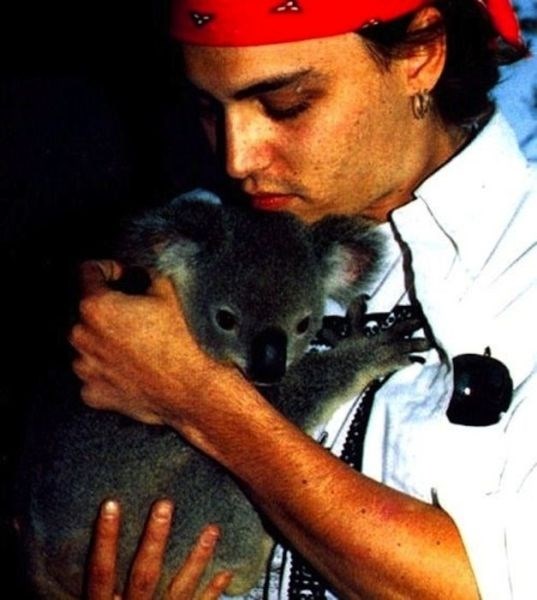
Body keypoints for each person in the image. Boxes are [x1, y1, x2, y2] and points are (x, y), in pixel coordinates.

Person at [69, 0, 537, 598]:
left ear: (422, 54)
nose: (237, 158)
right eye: (210, 109)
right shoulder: (213, 250)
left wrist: (201, 402)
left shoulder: (517, 271)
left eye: (286, 104)